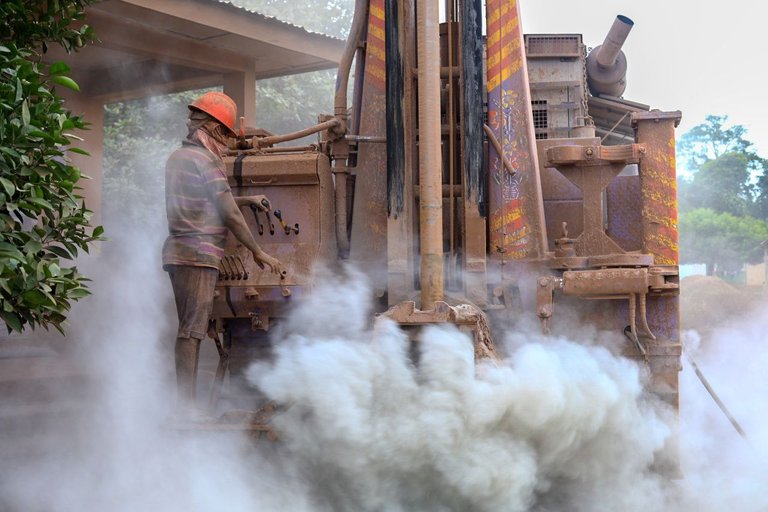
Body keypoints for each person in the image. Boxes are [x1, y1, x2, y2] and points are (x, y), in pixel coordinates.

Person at [162, 91, 283, 419]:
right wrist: (258, 252)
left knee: (190, 327)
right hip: (198, 254)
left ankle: (184, 406)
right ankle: (185, 409)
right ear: (213, 128)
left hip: (179, 251)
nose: (229, 143)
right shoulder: (205, 160)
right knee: (192, 330)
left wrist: (247, 199)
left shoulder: (179, 158)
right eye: (227, 135)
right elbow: (226, 212)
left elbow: (208, 202)